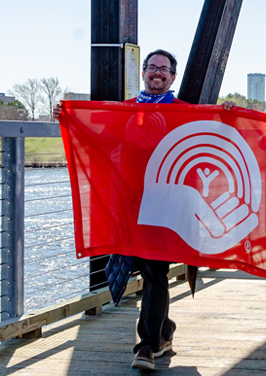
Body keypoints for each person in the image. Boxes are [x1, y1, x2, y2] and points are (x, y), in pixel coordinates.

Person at [54, 49, 183, 371]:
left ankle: (147, 347)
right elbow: (94, 136)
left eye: (163, 69)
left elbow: (211, 130)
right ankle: (164, 331)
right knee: (140, 267)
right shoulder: (124, 110)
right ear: (143, 73)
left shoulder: (185, 112)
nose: (157, 73)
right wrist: (66, 116)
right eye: (151, 67)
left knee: (155, 272)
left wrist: (225, 112)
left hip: (162, 205)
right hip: (126, 205)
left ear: (172, 77)